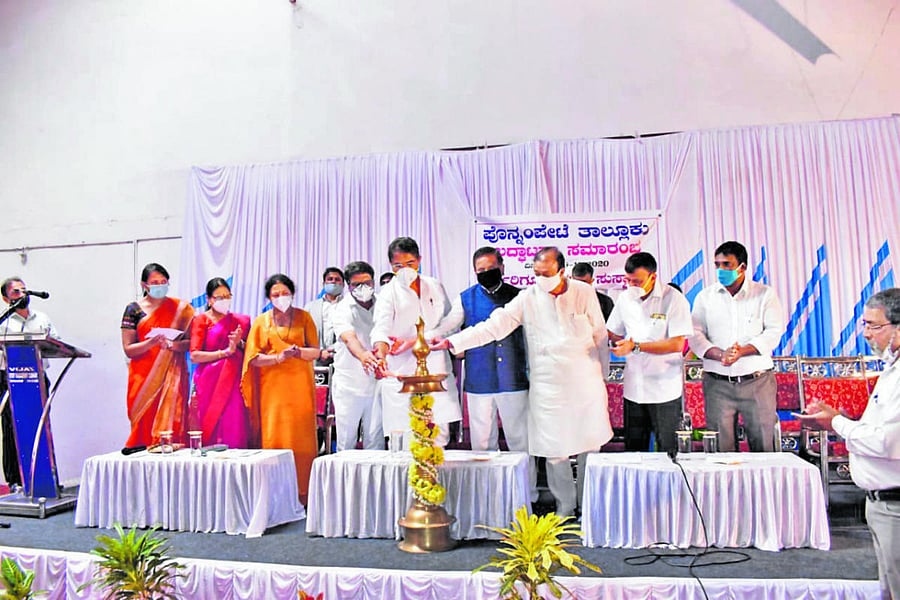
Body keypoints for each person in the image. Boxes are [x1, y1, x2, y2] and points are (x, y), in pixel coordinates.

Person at [433, 246, 611, 517]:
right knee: (555, 450)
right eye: (537, 274)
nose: (541, 279)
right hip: (548, 386)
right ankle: (564, 507)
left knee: (591, 445)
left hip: (586, 383)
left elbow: (600, 335)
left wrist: (604, 374)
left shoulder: (583, 292)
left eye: (547, 274)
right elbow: (494, 326)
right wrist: (452, 341)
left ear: (562, 271)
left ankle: (590, 505)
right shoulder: (528, 298)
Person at [799, 288, 900, 599]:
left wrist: (836, 424)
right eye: (864, 325)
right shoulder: (890, 369)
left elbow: (886, 442)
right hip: (879, 503)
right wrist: (839, 416)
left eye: (874, 325)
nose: (867, 333)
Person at [427, 247, 536, 500]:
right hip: (479, 381)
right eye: (481, 271)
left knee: (520, 442)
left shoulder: (519, 297)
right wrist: (420, 339)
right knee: (482, 444)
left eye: (491, 268)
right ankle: (487, 496)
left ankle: (526, 494)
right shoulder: (466, 298)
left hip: (514, 379)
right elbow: (447, 327)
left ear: (502, 266)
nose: (486, 273)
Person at [689, 241, 785, 452]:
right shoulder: (705, 297)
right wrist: (719, 354)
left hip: (757, 381)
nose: (721, 270)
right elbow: (695, 335)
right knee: (720, 451)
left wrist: (742, 351)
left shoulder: (764, 294)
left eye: (727, 265)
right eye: (717, 265)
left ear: (742, 267)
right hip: (717, 384)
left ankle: (762, 486)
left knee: (763, 446)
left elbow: (773, 332)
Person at [371, 237, 462, 449]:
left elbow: (449, 323)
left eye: (410, 264)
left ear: (419, 260)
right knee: (404, 438)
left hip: (435, 369)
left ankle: (436, 480)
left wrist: (418, 340)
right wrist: (381, 355)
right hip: (403, 371)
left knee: (437, 434)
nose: (405, 270)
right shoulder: (388, 293)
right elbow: (380, 330)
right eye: (398, 266)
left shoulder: (434, 285)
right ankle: (407, 482)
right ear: (390, 266)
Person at [241, 274, 322, 503]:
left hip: (300, 390)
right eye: (276, 294)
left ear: (292, 294)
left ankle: (304, 495)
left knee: (302, 441)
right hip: (272, 393)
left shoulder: (304, 317)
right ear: (268, 297)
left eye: (285, 293)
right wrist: (278, 358)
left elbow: (315, 351)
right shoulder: (260, 322)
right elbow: (252, 359)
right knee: (275, 439)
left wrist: (297, 353)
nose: (281, 298)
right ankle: (275, 497)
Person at [606, 252, 692, 453]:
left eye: (637, 281)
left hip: (664, 390)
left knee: (668, 451)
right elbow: (613, 332)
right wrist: (613, 341)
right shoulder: (625, 298)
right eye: (628, 280)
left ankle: (669, 486)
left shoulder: (673, 299)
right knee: (634, 452)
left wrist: (636, 347)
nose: (631, 286)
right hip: (634, 388)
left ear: (652, 277)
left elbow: (677, 344)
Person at [121, 263, 194, 447]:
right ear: (144, 285)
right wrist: (151, 343)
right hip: (143, 377)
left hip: (173, 375)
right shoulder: (133, 309)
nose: (160, 285)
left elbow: (191, 343)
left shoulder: (180, 309)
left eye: (163, 281)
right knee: (143, 421)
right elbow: (128, 349)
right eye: (155, 282)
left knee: (172, 420)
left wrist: (173, 345)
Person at [0, 278, 58, 487]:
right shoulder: (3, 323)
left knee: (41, 424)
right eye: (16, 292)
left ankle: (45, 478)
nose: (22, 295)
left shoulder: (41, 318)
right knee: (11, 428)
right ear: (6, 298)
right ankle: (15, 480)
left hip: (37, 377)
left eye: (24, 290)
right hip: (10, 379)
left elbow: (56, 342)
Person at [189, 277, 251, 448]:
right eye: (219, 297)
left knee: (234, 422)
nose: (224, 300)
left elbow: (250, 351)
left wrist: (238, 343)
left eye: (227, 296)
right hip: (209, 382)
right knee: (210, 425)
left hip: (234, 381)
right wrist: (224, 353)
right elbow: (194, 355)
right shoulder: (201, 321)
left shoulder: (242, 321)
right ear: (209, 300)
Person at [330, 261, 383, 451]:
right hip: (349, 385)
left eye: (367, 283)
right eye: (356, 285)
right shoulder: (341, 309)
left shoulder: (383, 304)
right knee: (346, 442)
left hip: (378, 383)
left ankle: (376, 481)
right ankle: (345, 481)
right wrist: (364, 356)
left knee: (375, 441)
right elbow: (349, 338)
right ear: (348, 286)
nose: (363, 289)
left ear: (374, 282)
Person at [304, 267, 343, 366]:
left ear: (343, 284)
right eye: (330, 279)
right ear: (324, 283)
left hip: (342, 358)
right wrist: (320, 352)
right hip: (316, 359)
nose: (333, 282)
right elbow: (304, 334)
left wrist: (334, 349)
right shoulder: (310, 307)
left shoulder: (349, 305)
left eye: (337, 279)